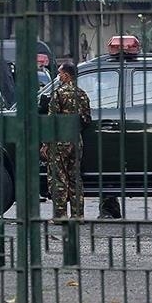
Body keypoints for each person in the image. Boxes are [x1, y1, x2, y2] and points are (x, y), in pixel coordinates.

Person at [41, 62, 91, 220]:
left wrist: (46, 144)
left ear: (67, 75)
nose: (59, 76)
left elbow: (52, 121)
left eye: (60, 73)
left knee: (58, 178)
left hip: (60, 141)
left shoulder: (58, 94)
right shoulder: (82, 94)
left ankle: (60, 215)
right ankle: (78, 215)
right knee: (75, 177)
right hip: (76, 140)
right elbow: (87, 120)